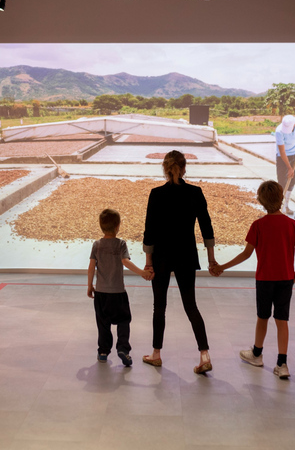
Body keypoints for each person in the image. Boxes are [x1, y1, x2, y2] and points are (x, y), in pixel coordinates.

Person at [211, 180, 295, 379]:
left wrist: (221, 267)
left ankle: (256, 354)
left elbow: (246, 254)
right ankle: (282, 363)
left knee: (262, 317)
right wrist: (294, 277)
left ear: (261, 201)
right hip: (285, 280)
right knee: (282, 320)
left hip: (264, 280)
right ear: (281, 198)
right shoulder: (293, 225)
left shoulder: (258, 225)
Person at [142, 150, 217, 374]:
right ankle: (204, 355)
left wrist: (148, 262)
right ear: (184, 168)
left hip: (162, 257)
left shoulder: (156, 194)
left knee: (159, 307)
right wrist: (211, 260)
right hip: (186, 255)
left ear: (165, 169)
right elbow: (206, 228)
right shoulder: (195, 193)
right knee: (191, 306)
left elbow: (150, 231)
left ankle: (156, 354)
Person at [87, 208, 153, 366]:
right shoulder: (120, 244)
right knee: (124, 320)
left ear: (101, 226)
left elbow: (91, 266)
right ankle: (123, 348)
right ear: (117, 226)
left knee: (103, 324)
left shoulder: (96, 245)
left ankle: (103, 351)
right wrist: (142, 272)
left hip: (101, 294)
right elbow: (125, 262)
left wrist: (90, 285)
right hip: (118, 293)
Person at [275, 114, 295, 215]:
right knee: (282, 182)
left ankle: (286, 206)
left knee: (293, 180)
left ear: (294, 124)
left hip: (294, 154)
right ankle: (277, 208)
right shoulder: (279, 131)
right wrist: (289, 168)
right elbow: (282, 152)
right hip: (282, 158)